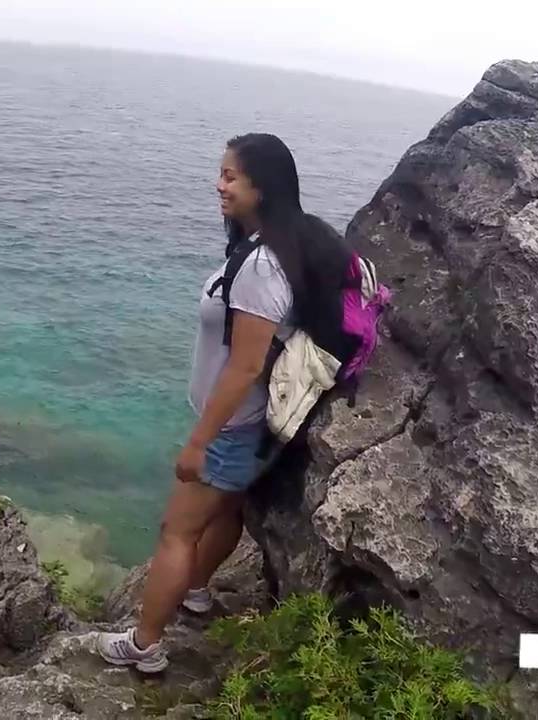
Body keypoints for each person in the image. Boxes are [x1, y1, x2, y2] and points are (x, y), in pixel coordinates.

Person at [97, 133, 355, 672]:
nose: (220, 184)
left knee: (176, 532)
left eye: (231, 176)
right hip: (254, 426)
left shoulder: (263, 267)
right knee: (229, 509)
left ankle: (144, 646)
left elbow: (243, 365)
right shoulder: (284, 240)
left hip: (233, 427)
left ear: (262, 188)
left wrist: (199, 442)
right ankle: (195, 592)